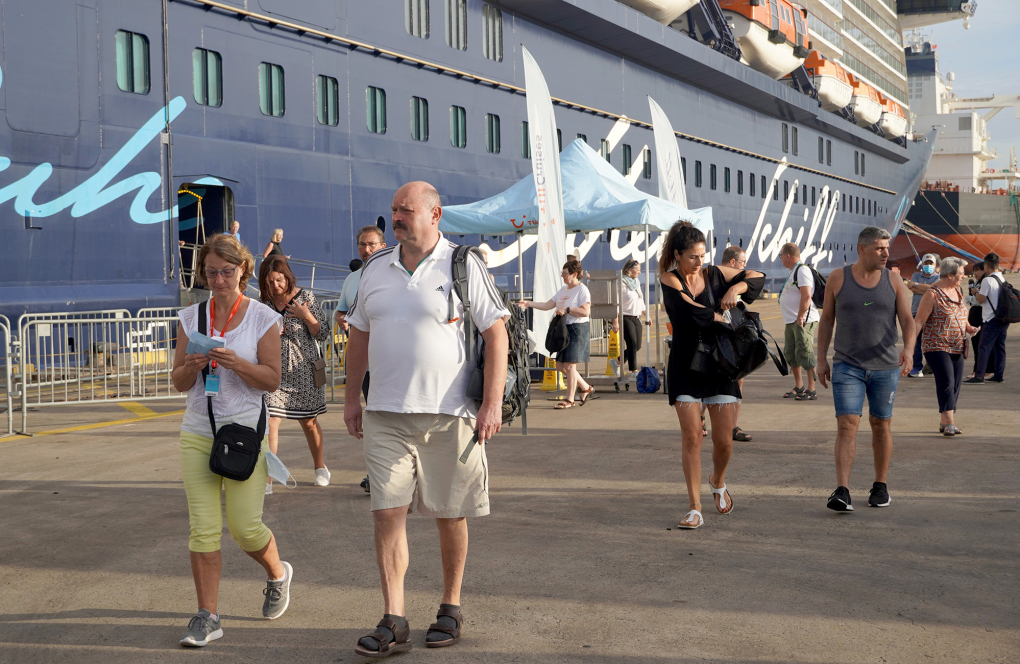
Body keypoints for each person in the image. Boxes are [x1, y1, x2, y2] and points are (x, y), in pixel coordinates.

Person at [343, 181, 509, 658]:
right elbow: (358, 337)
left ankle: (450, 606)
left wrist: (491, 403)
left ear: (435, 215)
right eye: (394, 209)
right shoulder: (375, 267)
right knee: (386, 513)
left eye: (406, 210)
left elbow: (496, 334)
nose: (396, 217)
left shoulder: (463, 264)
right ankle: (394, 619)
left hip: (449, 415)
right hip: (386, 414)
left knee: (449, 513)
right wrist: (351, 400)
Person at [171, 234, 292, 647]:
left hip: (243, 434)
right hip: (198, 432)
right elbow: (178, 382)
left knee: (244, 528)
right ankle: (207, 616)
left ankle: (278, 573)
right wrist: (192, 366)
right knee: (203, 529)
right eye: (210, 273)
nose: (218, 280)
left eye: (226, 271)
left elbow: (272, 379)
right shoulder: (191, 317)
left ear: (243, 270)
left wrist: (238, 363)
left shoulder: (262, 317)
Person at [659, 222, 765, 530]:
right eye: (692, 256)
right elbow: (688, 310)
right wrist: (719, 316)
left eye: (703, 255)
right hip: (686, 365)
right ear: (677, 255)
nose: (699, 262)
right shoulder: (669, 278)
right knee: (692, 437)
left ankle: (717, 481)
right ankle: (695, 507)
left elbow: (756, 276)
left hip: (720, 365)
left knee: (724, 442)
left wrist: (735, 288)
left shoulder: (715, 273)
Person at [817, 227, 915, 512]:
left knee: (881, 424)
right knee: (847, 424)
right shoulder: (838, 278)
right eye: (879, 248)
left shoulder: (893, 280)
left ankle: (880, 486)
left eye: (887, 248)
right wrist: (821, 359)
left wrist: (908, 349)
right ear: (861, 249)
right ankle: (842, 490)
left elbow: (907, 320)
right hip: (847, 365)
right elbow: (826, 320)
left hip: (885, 367)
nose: (886, 253)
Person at [258, 255, 331, 493]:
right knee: (271, 422)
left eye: (279, 280)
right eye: (270, 282)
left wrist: (306, 315)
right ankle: (268, 478)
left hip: (304, 370)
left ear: (287, 277)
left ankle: (320, 467)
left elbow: (323, 333)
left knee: (308, 422)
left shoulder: (305, 297)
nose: (275, 286)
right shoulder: (263, 304)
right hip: (275, 371)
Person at [335, 225, 387, 494]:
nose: (366, 250)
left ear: (383, 246)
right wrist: (342, 320)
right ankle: (375, 473)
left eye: (371, 244)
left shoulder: (393, 274)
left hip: (392, 361)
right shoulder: (352, 279)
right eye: (362, 245)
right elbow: (341, 311)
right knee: (374, 415)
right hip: (366, 362)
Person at [913, 257, 979, 436]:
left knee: (955, 383)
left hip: (957, 344)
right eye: (961, 273)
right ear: (950, 275)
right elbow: (918, 321)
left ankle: (944, 421)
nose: (963, 276)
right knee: (947, 381)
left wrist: (969, 327)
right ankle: (950, 423)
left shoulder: (957, 290)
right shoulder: (932, 294)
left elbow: (960, 313)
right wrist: (909, 347)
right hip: (936, 345)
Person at [520, 258, 594, 409]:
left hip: (577, 329)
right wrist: (528, 303)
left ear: (574, 275)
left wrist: (567, 309)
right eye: (562, 273)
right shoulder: (563, 290)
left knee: (570, 366)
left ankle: (570, 399)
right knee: (560, 365)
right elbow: (548, 305)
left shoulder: (582, 290)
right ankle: (586, 387)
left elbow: (586, 311)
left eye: (565, 273)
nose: (562, 276)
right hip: (564, 330)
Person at [779, 243, 820, 402]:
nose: (781, 258)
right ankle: (799, 386)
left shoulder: (802, 270)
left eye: (781, 255)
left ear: (788, 255)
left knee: (805, 352)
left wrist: (801, 316)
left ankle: (812, 389)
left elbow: (807, 295)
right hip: (791, 320)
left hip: (803, 319)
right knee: (791, 353)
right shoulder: (793, 271)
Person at [721, 246, 753, 442]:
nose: (745, 266)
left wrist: (735, 289)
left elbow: (757, 277)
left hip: (735, 335)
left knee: (739, 380)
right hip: (717, 336)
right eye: (742, 262)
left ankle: (733, 426)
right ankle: (701, 418)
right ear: (732, 262)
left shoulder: (739, 281)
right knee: (715, 381)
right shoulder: (712, 279)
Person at [965, 252, 1008, 384]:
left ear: (986, 266)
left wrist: (975, 292)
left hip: (990, 319)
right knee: (1000, 347)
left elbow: (981, 300)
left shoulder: (987, 280)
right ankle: (998, 375)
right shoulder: (1002, 278)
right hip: (1002, 318)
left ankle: (979, 376)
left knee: (983, 347)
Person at [905, 253, 941, 377]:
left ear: (935, 265)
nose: (928, 266)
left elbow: (934, 290)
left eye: (931, 263)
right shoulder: (916, 275)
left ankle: (932, 365)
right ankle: (916, 367)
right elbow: (911, 288)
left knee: (932, 341)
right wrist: (928, 289)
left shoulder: (939, 277)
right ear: (922, 264)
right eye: (926, 263)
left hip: (931, 313)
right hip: (916, 311)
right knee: (915, 340)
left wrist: (916, 285)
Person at [615, 258, 645, 382]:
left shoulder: (636, 282)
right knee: (631, 343)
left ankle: (617, 362)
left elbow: (640, 300)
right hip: (625, 316)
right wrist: (615, 321)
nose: (640, 272)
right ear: (629, 270)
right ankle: (634, 371)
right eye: (638, 270)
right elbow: (616, 304)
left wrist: (646, 314)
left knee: (637, 346)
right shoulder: (621, 283)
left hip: (636, 317)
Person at [965, 261, 991, 379]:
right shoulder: (976, 283)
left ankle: (984, 370)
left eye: (977, 270)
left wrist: (972, 296)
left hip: (982, 315)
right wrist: (972, 297)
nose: (975, 273)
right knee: (976, 343)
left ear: (984, 270)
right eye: (973, 271)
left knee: (981, 344)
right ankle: (978, 369)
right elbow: (971, 299)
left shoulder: (985, 283)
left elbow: (980, 301)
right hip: (974, 315)